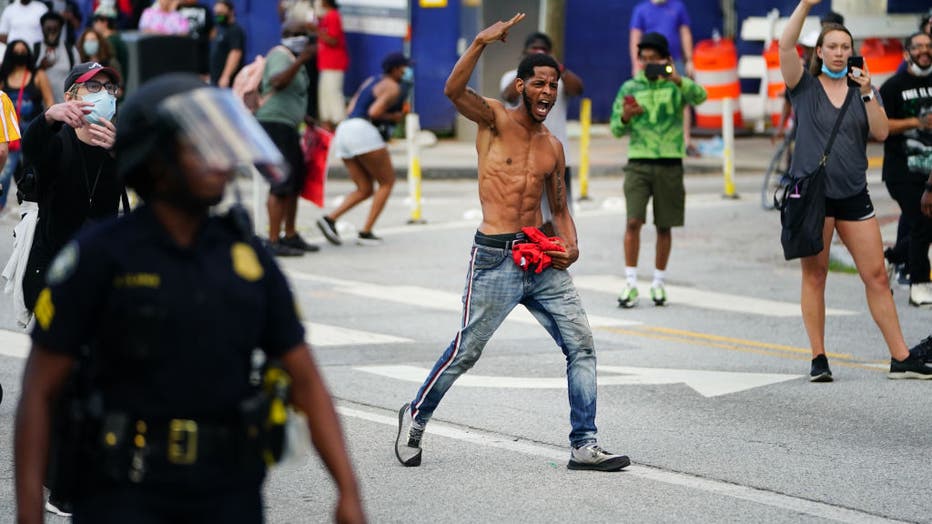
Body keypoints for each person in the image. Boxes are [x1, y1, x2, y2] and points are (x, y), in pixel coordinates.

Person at [13, 72, 366, 524]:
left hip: (228, 492)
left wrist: (348, 491)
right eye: (199, 147)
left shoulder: (247, 260)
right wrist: (28, 512)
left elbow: (306, 379)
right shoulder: (97, 260)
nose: (218, 160)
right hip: (122, 493)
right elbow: (40, 393)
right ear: (156, 161)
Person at [394, 14, 630, 472]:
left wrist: (572, 246)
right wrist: (482, 41)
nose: (547, 92)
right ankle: (416, 417)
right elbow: (452, 91)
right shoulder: (493, 118)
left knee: (581, 346)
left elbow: (559, 208)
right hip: (496, 258)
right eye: (539, 83)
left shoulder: (552, 146)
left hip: (541, 257)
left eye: (553, 85)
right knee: (467, 351)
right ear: (521, 85)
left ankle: (584, 444)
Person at [779, 0, 932, 381]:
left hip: (852, 194)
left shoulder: (864, 89)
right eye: (832, 47)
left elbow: (880, 132)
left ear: (852, 52)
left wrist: (866, 92)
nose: (839, 53)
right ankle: (818, 357)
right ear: (819, 51)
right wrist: (805, 5)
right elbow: (784, 46)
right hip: (814, 197)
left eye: (845, 47)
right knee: (815, 276)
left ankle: (900, 357)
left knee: (877, 276)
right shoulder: (804, 87)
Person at [611, 32, 707, 308]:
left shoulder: (676, 85)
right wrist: (627, 116)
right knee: (633, 221)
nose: (649, 64)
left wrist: (677, 79)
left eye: (655, 60)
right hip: (638, 163)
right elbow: (617, 129)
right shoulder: (630, 87)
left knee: (664, 226)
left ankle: (658, 283)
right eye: (645, 60)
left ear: (667, 60)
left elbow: (701, 96)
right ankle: (630, 282)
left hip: (670, 162)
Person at [20, 62, 121, 316]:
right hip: (53, 272)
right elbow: (31, 147)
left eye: (110, 88)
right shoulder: (58, 142)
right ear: (70, 97)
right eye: (93, 86)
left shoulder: (119, 146)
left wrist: (121, 152)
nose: (105, 94)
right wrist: (48, 117)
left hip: (99, 273)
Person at [315, 52, 409, 246]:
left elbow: (351, 107)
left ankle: (329, 219)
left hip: (344, 130)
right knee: (387, 181)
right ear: (394, 69)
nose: (406, 72)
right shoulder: (393, 87)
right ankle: (366, 232)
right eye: (403, 68)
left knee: (365, 188)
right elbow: (374, 112)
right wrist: (395, 117)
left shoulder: (371, 80)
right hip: (362, 130)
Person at [499, 31, 583, 232]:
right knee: (524, 212)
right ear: (523, 53)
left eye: (543, 51)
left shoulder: (557, 79)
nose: (546, 89)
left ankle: (554, 257)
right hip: (521, 156)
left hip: (556, 155)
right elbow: (509, 96)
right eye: (533, 51)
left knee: (558, 214)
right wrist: (528, 70)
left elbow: (578, 89)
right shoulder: (513, 78)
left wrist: (556, 67)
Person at [256, 22, 318, 256]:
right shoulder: (281, 56)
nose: (300, 38)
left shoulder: (293, 59)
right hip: (274, 124)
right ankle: (273, 240)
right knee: (281, 182)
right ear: (284, 36)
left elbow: (292, 94)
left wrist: (306, 117)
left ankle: (290, 234)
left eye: (304, 35)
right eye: (294, 35)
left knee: (295, 180)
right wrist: (301, 60)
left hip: (289, 125)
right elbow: (277, 82)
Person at [880, 31, 932, 307]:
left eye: (928, 46)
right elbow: (881, 127)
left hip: (930, 172)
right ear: (907, 53)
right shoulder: (893, 86)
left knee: (924, 226)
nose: (924, 50)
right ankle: (919, 285)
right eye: (918, 47)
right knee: (922, 221)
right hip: (903, 171)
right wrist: (917, 122)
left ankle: (892, 258)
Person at [628, 0, 696, 155]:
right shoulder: (641, 10)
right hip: (649, 64)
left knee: (682, 99)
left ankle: (685, 140)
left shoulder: (678, 7)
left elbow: (685, 33)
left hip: (674, 60)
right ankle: (648, 139)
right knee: (647, 98)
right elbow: (635, 38)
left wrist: (690, 59)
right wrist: (636, 64)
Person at [0, 40, 53, 213]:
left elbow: (49, 102)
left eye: (23, 50)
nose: (20, 53)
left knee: (35, 170)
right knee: (7, 171)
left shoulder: (38, 75)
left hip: (32, 131)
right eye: (16, 51)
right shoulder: (3, 76)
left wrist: (50, 127)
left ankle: (36, 205)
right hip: (10, 133)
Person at [314, 0, 348, 132]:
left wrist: (317, 30)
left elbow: (333, 40)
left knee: (334, 96)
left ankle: (341, 127)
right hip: (326, 64)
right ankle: (327, 129)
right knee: (325, 98)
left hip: (334, 64)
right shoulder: (326, 17)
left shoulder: (333, 16)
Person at [34, 10, 77, 104]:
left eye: (55, 29)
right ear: (42, 28)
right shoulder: (35, 50)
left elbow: (79, 79)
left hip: (65, 107)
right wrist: (39, 68)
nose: (52, 33)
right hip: (40, 111)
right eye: (48, 29)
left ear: (61, 29)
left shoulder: (70, 50)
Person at [208, 0, 244, 88]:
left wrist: (226, 76)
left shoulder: (235, 30)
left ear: (231, 12)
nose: (218, 15)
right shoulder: (218, 29)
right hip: (214, 79)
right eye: (216, 13)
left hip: (226, 83)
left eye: (221, 12)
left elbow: (235, 53)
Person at [177, 0, 213, 80]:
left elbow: (212, 30)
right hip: (182, 51)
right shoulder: (177, 8)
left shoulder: (204, 9)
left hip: (201, 51)